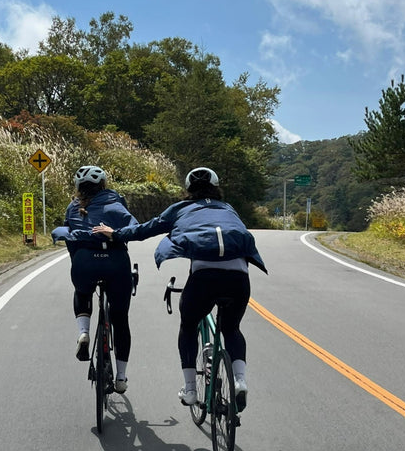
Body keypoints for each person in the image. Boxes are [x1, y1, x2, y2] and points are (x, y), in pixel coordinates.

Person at [92, 167, 267, 411]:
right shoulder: (228, 209)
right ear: (216, 188)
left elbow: (145, 230)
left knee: (188, 326)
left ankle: (191, 389)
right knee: (231, 328)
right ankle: (239, 380)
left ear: (188, 189)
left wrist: (115, 234)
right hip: (239, 276)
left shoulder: (180, 209)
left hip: (204, 276)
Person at [52, 165, 139, 393]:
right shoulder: (116, 203)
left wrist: (79, 262)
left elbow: (70, 240)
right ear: (103, 185)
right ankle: (121, 377)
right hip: (116, 263)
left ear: (78, 186)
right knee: (120, 319)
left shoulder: (73, 207)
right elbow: (131, 229)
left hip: (85, 262)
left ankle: (84, 332)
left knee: (82, 291)